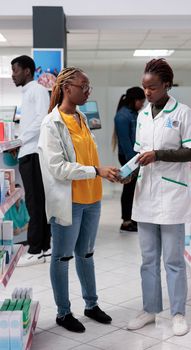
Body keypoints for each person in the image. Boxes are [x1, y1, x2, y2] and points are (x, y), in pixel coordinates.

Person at [38, 67, 119, 333]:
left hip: (92, 198)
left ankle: (91, 305)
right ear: (66, 88)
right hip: (69, 201)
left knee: (86, 254)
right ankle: (63, 313)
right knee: (62, 258)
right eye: (83, 86)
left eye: (89, 87)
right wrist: (96, 171)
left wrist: (108, 173)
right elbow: (58, 167)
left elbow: (87, 158)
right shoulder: (51, 124)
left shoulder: (82, 117)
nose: (87, 91)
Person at [126, 58, 191, 336]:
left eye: (153, 88)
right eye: (144, 88)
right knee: (148, 259)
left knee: (173, 259)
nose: (147, 93)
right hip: (146, 194)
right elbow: (138, 153)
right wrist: (128, 172)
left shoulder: (183, 113)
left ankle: (178, 313)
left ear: (167, 85)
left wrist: (158, 155)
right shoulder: (143, 115)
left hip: (171, 195)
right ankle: (150, 309)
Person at [11, 55, 51, 266]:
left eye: (15, 70)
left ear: (27, 71)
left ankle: (36, 249)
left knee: (35, 202)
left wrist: (20, 140)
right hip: (27, 151)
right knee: (36, 201)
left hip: (34, 153)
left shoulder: (37, 90)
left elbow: (42, 119)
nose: (12, 75)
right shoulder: (28, 93)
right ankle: (44, 246)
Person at [113, 87, 145, 232]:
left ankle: (132, 219)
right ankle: (126, 221)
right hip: (128, 157)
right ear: (135, 100)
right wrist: (133, 164)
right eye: (141, 101)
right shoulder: (122, 116)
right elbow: (125, 143)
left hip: (134, 157)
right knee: (129, 188)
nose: (143, 104)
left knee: (132, 189)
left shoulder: (133, 114)